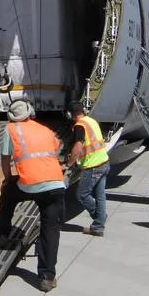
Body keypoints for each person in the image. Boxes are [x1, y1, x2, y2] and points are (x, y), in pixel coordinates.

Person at [0, 99, 65, 292]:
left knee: (8, 193)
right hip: (56, 183)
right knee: (50, 229)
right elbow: (56, 148)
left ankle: (2, 232)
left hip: (29, 183)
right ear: (30, 113)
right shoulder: (45, 129)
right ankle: (47, 277)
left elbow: (6, 159)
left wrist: (8, 179)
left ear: (12, 117)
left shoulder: (11, 130)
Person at [65, 101, 111, 237]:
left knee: (82, 195)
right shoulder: (91, 121)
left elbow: (79, 145)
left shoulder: (79, 126)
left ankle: (99, 219)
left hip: (93, 166)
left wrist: (70, 162)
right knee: (100, 195)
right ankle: (98, 225)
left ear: (70, 114)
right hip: (104, 161)